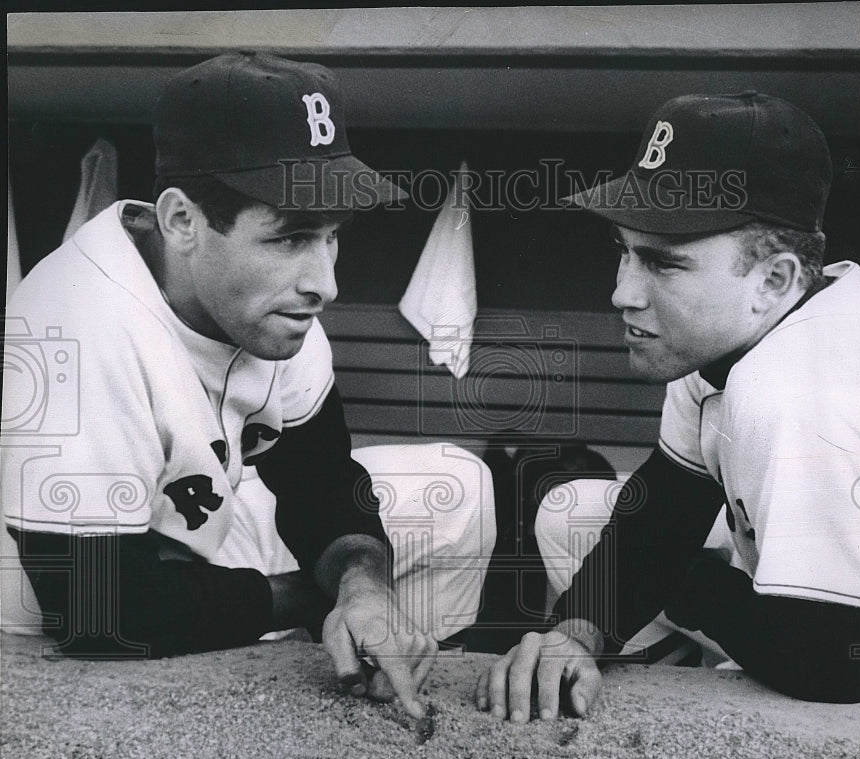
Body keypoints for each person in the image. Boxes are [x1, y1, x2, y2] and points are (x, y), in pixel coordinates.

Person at [1, 52, 496, 719]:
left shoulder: (270, 309)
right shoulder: (76, 325)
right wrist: (305, 598)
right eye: (291, 237)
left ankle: (388, 663)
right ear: (181, 220)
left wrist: (362, 584)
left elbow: (320, 478)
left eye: (330, 237)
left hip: (189, 538)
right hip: (51, 612)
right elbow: (97, 612)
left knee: (458, 483)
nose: (326, 282)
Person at [478, 91, 860, 719]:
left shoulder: (804, 392)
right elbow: (663, 503)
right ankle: (678, 667)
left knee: (673, 576)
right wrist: (574, 632)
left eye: (663, 262)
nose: (622, 293)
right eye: (624, 251)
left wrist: (683, 578)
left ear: (774, 278)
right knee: (572, 512)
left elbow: (839, 666)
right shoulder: (744, 330)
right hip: (841, 615)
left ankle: (702, 688)